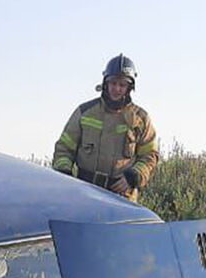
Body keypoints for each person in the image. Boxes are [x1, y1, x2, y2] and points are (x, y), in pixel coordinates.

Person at [52, 55, 159, 202]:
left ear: (129, 88)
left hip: (122, 197)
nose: (117, 89)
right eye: (113, 83)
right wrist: (65, 175)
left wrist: (132, 177)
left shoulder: (141, 119)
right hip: (85, 193)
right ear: (105, 83)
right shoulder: (85, 112)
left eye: (122, 85)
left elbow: (150, 155)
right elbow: (64, 148)